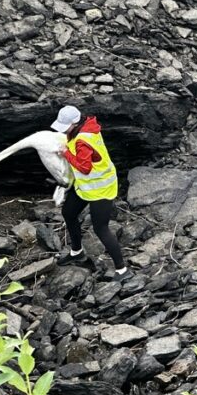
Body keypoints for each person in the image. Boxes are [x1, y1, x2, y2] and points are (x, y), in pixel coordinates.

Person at [51, 105, 129, 278]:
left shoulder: (83, 139)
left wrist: (66, 154)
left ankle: (122, 270)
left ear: (75, 122)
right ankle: (77, 253)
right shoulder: (86, 126)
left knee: (101, 228)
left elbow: (84, 168)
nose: (64, 131)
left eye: (66, 127)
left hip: (101, 188)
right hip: (86, 186)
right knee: (68, 213)